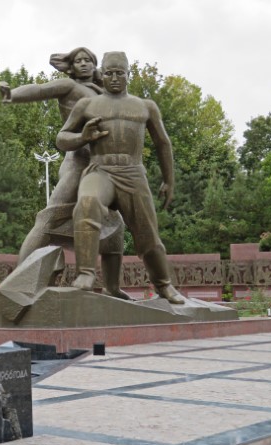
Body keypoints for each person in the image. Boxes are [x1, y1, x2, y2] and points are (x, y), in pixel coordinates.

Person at [0, 47, 130, 300]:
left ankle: (112, 287)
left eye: (88, 61)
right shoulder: (69, 87)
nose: (83, 64)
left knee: (115, 226)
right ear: (70, 66)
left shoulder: (104, 92)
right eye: (78, 61)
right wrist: (11, 96)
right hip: (77, 161)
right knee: (49, 218)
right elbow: (38, 90)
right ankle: (18, 278)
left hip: (101, 168)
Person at [57, 51, 186, 304]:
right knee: (87, 204)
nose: (114, 78)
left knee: (147, 233)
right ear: (101, 75)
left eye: (120, 73)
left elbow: (163, 143)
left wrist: (169, 181)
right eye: (109, 73)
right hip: (100, 169)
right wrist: (83, 137)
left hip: (132, 173)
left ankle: (164, 285)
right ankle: (85, 273)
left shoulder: (145, 106)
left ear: (128, 75)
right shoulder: (87, 105)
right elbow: (62, 139)